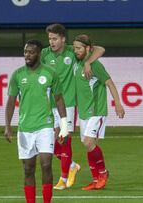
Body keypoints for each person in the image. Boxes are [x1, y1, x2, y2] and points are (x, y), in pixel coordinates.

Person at [41, 23, 106, 190]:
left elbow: (100, 49)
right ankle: (71, 166)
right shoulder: (44, 54)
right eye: (49, 38)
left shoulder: (72, 51)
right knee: (48, 143)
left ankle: (63, 179)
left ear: (63, 39)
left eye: (55, 38)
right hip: (49, 104)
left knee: (64, 140)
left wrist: (88, 63)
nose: (52, 42)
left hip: (68, 104)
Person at [4, 39, 69, 203]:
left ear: (39, 54)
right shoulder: (17, 75)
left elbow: (59, 99)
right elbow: (11, 102)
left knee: (46, 164)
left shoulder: (50, 73)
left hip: (45, 126)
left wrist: (63, 125)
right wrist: (7, 126)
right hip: (25, 128)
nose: (27, 55)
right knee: (28, 169)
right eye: (25, 51)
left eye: (31, 52)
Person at [72, 34, 125, 190]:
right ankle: (96, 180)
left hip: (96, 110)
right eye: (74, 48)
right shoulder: (78, 62)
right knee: (88, 144)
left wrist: (118, 104)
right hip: (83, 112)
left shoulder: (96, 65)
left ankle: (102, 173)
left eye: (79, 48)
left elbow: (110, 83)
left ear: (88, 48)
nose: (76, 51)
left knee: (88, 142)